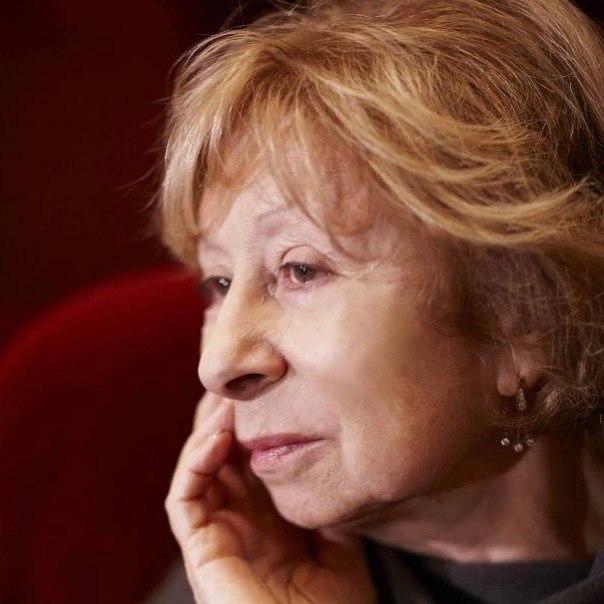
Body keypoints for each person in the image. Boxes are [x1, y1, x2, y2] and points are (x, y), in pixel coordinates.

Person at [155, 1, 604, 602]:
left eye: (301, 269)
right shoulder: (233, 574)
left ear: (526, 316)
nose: (218, 364)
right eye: (219, 283)